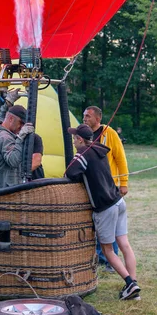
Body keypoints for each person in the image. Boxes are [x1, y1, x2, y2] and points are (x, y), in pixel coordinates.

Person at [65, 124, 140, 301]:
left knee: (107, 250)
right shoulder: (99, 150)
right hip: (118, 201)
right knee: (125, 245)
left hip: (105, 207)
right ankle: (134, 283)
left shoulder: (83, 154)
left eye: (75, 137)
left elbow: (69, 173)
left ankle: (130, 284)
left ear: (80, 140)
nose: (73, 140)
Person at [83, 106, 129, 272]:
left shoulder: (109, 133)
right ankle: (100, 257)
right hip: (94, 187)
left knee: (111, 224)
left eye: (88, 116)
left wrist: (123, 182)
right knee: (98, 222)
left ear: (98, 119)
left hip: (109, 186)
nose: (84, 118)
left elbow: (120, 158)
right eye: (84, 116)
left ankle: (110, 260)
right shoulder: (85, 135)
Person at [0, 89, 38, 189]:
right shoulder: (5, 138)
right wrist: (20, 138)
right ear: (10, 119)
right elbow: (13, 161)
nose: (22, 127)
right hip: (6, 190)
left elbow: (1, 116)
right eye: (21, 123)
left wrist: (8, 102)